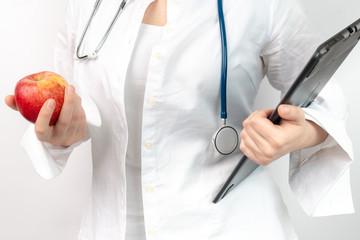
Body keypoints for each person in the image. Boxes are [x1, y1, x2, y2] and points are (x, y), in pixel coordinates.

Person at [5, 0, 354, 239]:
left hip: (228, 226)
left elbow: (322, 97)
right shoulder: (91, 5)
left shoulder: (261, 4)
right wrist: (61, 132)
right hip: (110, 227)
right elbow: (72, 102)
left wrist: (299, 133)